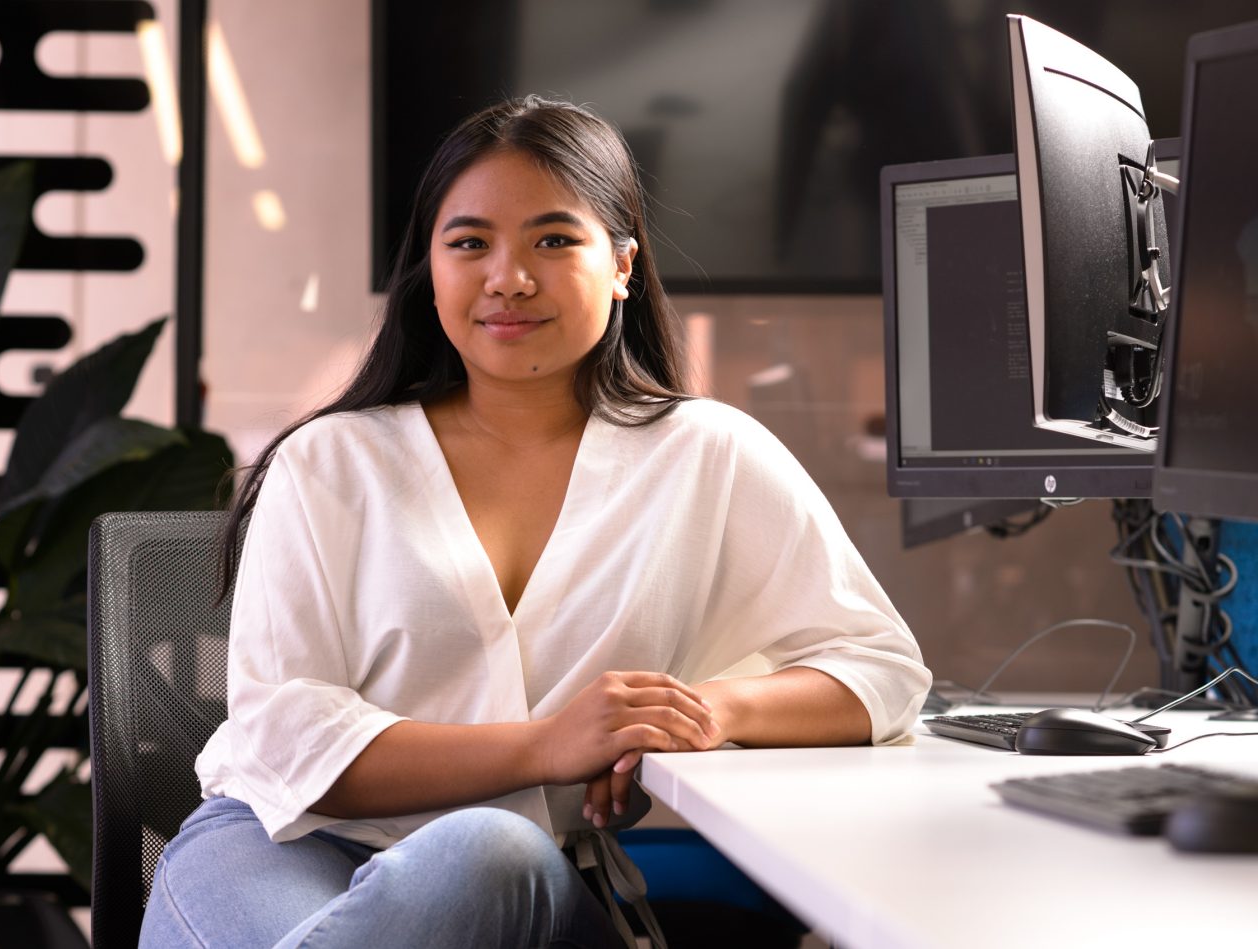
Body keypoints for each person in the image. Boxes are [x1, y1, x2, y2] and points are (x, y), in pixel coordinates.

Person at [139, 95, 931, 949]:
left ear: (623, 264)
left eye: (554, 240)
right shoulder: (331, 459)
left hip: (514, 883)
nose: (508, 277)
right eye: (470, 242)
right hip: (277, 846)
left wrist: (700, 710)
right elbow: (286, 736)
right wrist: (548, 745)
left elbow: (880, 670)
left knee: (488, 848)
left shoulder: (708, 452)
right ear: (431, 268)